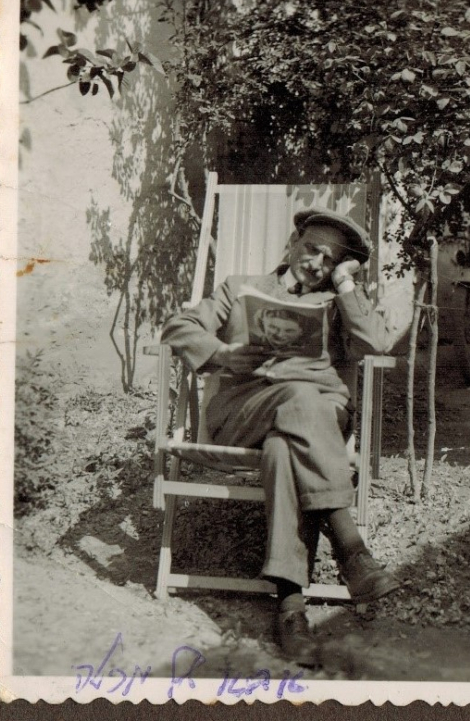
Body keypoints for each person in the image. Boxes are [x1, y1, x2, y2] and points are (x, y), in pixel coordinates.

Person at [162, 207, 399, 664]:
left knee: (283, 445)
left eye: (331, 260)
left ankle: (290, 610)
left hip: (316, 423)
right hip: (244, 413)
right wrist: (222, 355)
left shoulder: (339, 302)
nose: (317, 263)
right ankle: (351, 548)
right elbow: (178, 326)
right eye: (311, 249)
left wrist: (346, 284)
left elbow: (377, 343)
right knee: (299, 399)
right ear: (293, 243)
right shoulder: (241, 287)